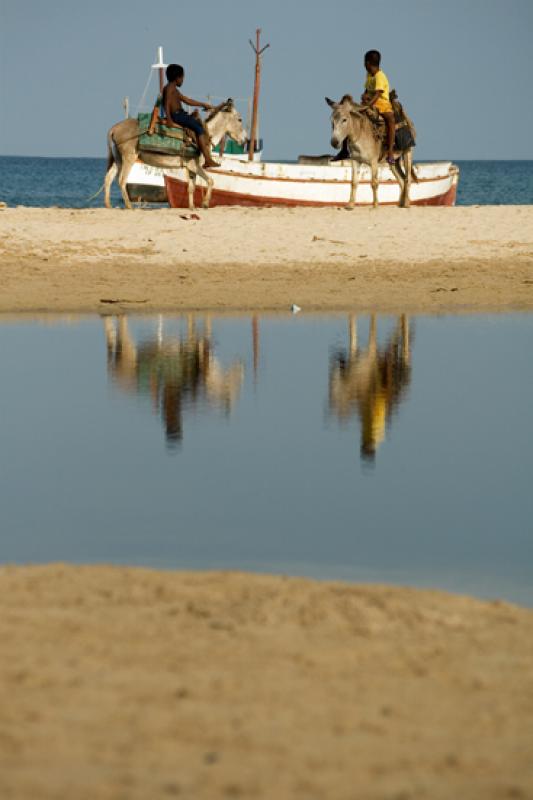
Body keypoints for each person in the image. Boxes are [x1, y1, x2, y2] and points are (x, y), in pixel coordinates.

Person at [156, 63, 220, 168]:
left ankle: (201, 153)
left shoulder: (174, 89)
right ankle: (207, 159)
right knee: (199, 129)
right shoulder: (169, 89)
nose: (183, 80)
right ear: (177, 78)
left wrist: (202, 104)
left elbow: (187, 100)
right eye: (182, 77)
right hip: (177, 116)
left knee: (198, 124)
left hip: (180, 114)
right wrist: (169, 119)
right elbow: (166, 104)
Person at [360, 50, 395, 165]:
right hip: (369, 100)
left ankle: (390, 151)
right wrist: (364, 97)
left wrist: (368, 105)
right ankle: (345, 149)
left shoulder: (380, 76)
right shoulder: (369, 75)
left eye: (365, 62)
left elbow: (378, 94)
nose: (364, 65)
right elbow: (367, 89)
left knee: (391, 120)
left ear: (368, 63)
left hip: (381, 103)